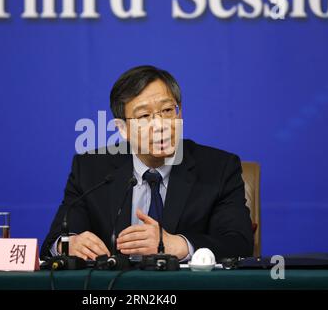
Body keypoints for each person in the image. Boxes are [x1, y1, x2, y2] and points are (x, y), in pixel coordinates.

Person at [40, 65, 254, 261]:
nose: (160, 125)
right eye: (144, 116)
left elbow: (239, 243)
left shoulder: (219, 168)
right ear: (123, 128)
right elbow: (52, 243)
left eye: (168, 111)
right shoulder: (90, 169)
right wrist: (68, 245)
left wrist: (178, 245)